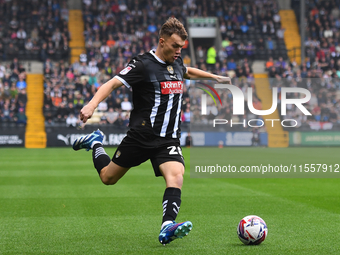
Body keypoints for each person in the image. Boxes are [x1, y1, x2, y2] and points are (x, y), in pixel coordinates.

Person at [72, 17, 231, 245]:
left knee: (176, 176)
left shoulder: (176, 62)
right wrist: (91, 104)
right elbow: (112, 83)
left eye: (181, 47)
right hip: (141, 137)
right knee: (107, 178)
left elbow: (187, 71)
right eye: (175, 46)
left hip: (168, 139)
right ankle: (96, 143)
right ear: (162, 41)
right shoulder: (143, 65)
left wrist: (212, 76)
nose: (178, 51)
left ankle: (167, 226)